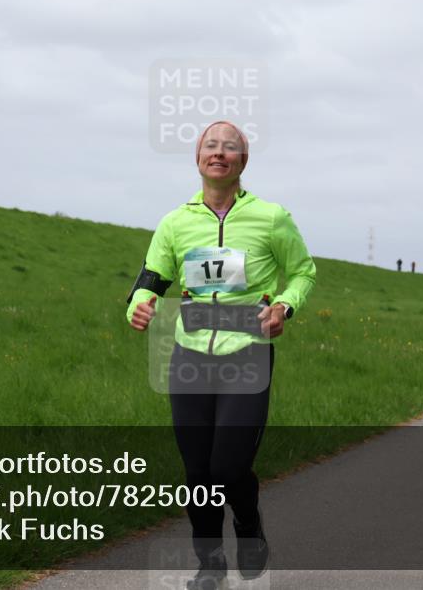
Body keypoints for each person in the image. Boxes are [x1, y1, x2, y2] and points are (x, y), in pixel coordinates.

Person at [127, 120, 316, 589]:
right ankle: (209, 565)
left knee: (228, 468)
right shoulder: (175, 222)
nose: (219, 152)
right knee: (198, 473)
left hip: (247, 353)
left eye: (230, 147)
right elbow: (152, 277)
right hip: (190, 355)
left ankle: (248, 525)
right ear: (197, 158)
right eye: (210, 145)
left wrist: (284, 307)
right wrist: (139, 303)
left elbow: (303, 272)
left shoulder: (271, 218)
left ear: (242, 161)